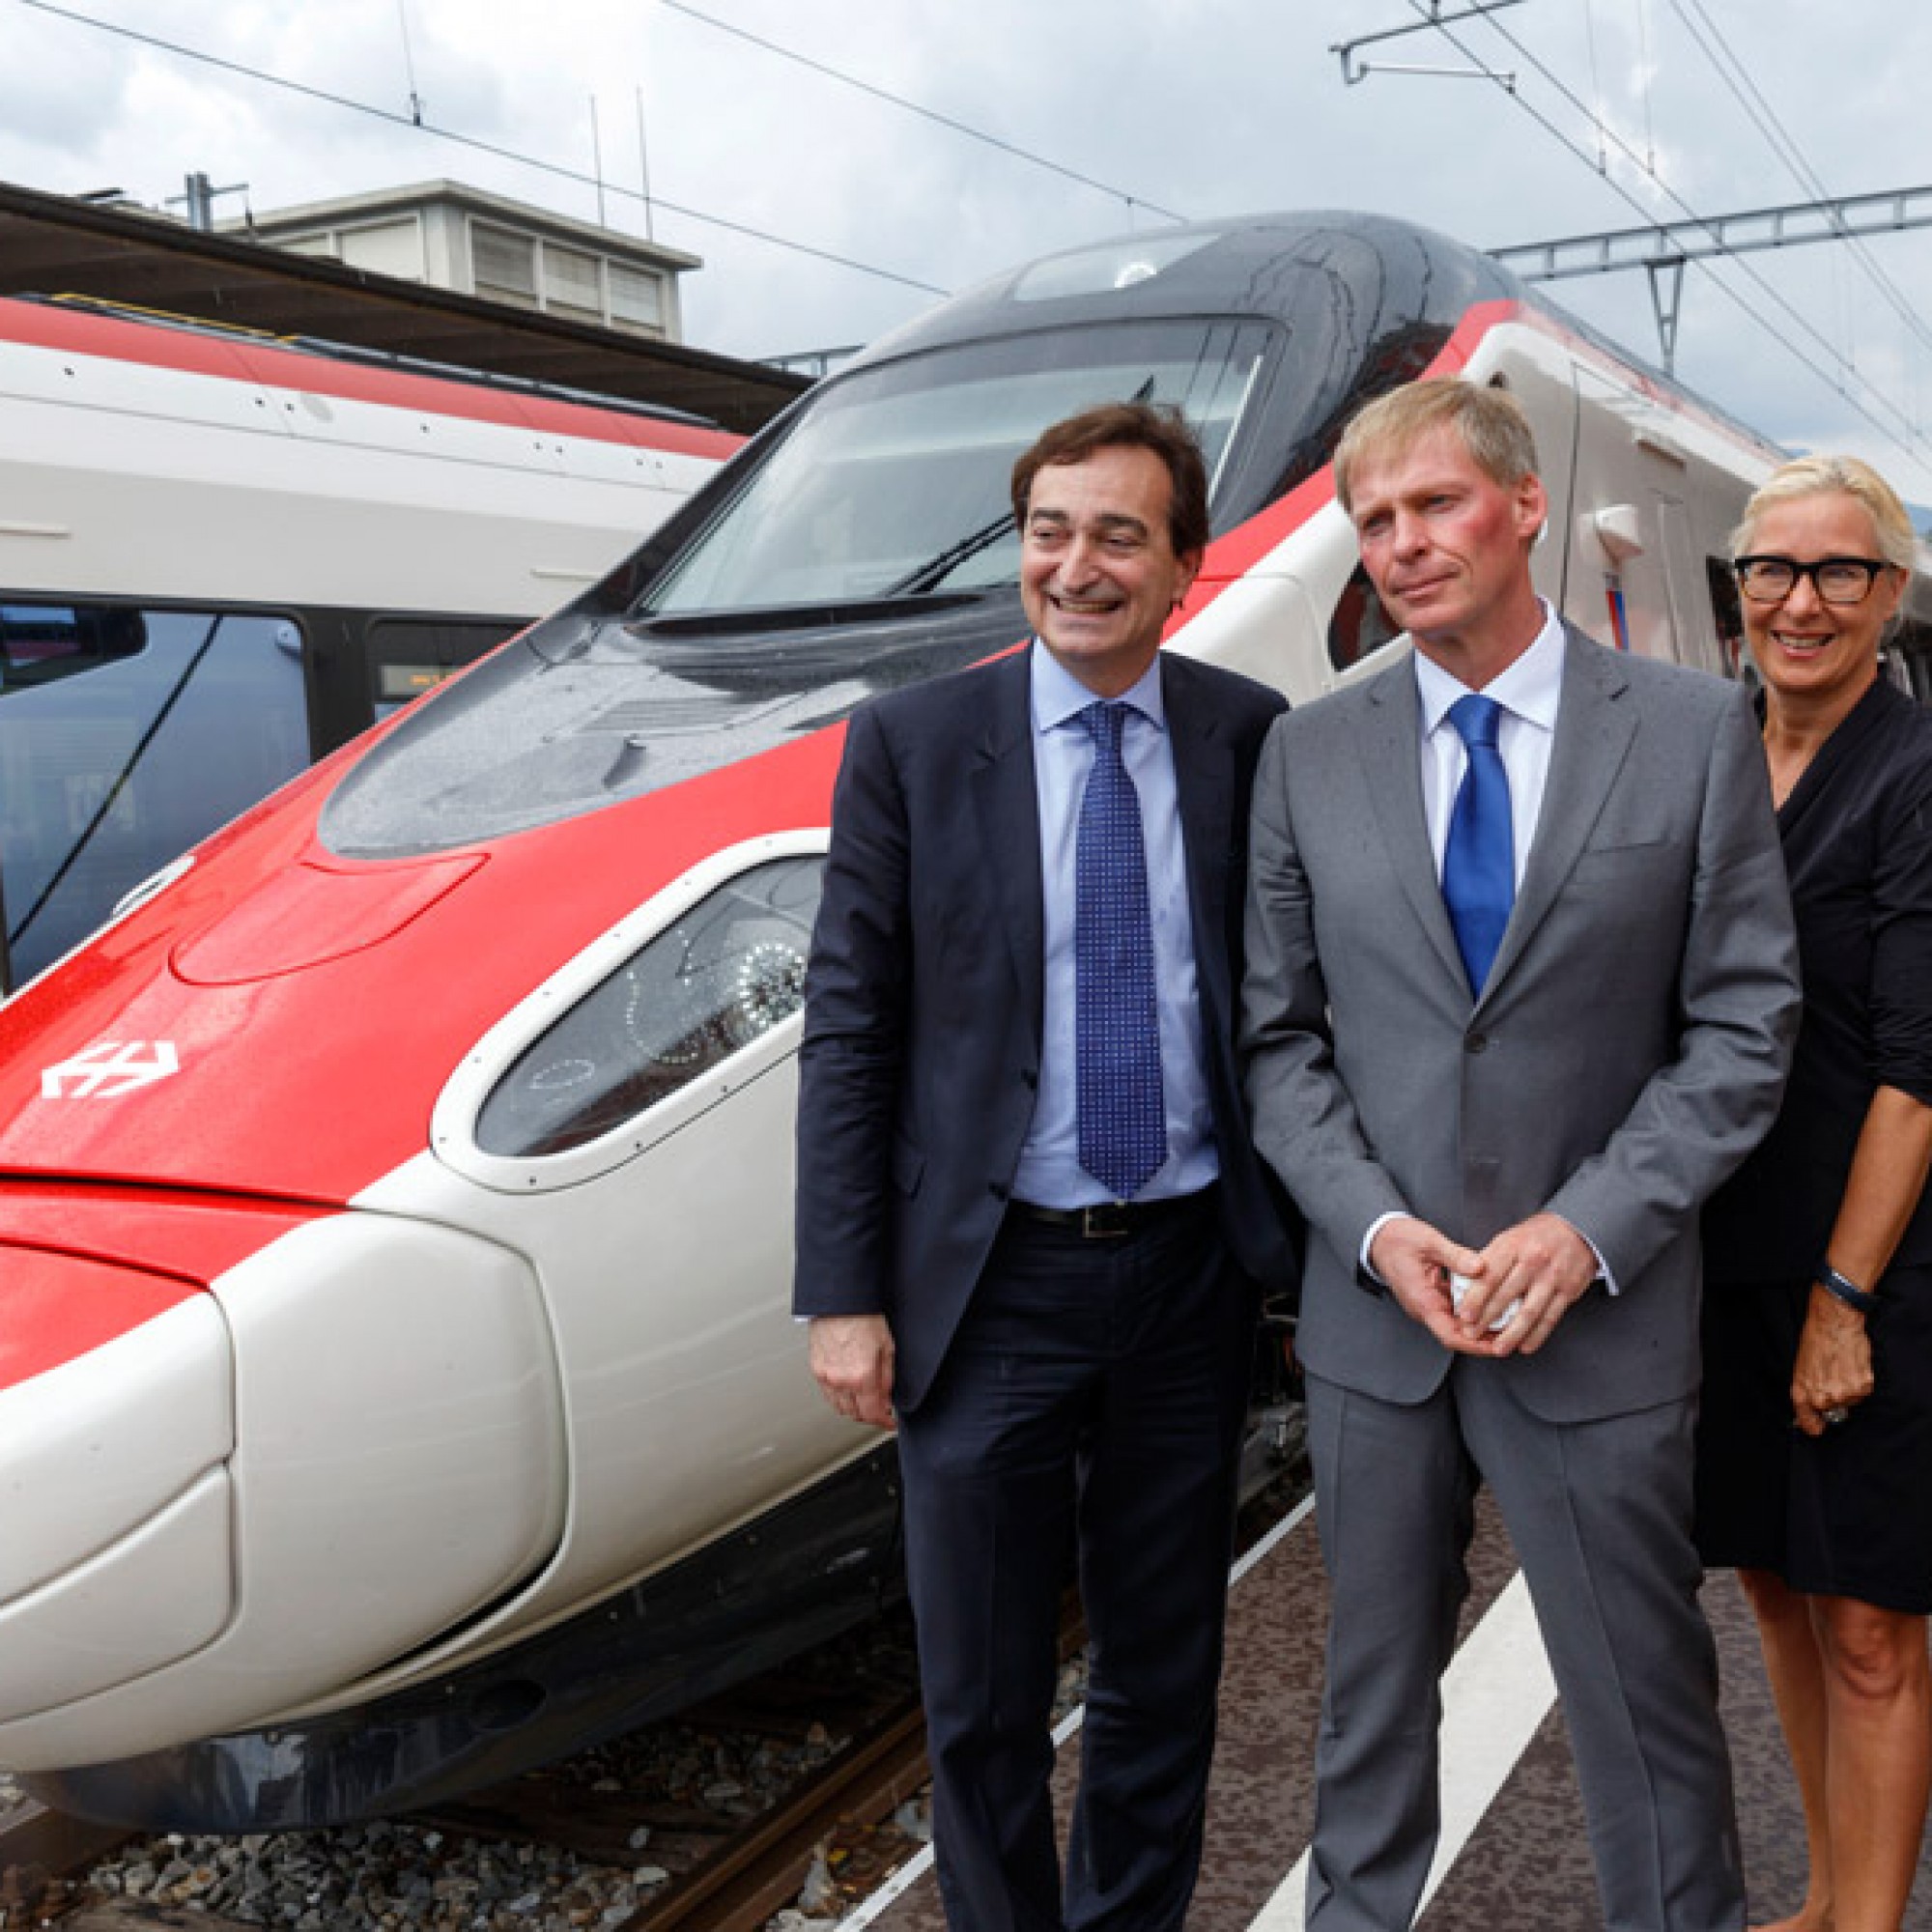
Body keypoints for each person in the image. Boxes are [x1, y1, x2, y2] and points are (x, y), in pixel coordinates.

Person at [1240, 378, 1802, 1931]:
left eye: (1434, 506)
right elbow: (1277, 1043)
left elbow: (1748, 1023)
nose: (1404, 546)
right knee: (1364, 1713)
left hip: (1598, 1316)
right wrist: (1371, 1229)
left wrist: (1590, 1227)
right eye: (1375, 523)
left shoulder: (1692, 732)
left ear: (1525, 504)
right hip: (1379, 1327)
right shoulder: (1310, 754)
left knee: (1644, 1712)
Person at [794, 400, 1295, 1932]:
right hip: (990, 1284)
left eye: (1118, 536)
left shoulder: (1246, 735)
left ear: (1186, 567)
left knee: (1164, 1678)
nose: (1076, 566)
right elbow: (851, 1025)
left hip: (1187, 1277)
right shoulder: (911, 743)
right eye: (1049, 532)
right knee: (983, 1697)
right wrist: (842, 1290)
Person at [1695, 454, 1932, 1932]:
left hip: (1882, 1264)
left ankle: (1869, 1923)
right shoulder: (1713, 749)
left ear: (1890, 597)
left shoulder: (1917, 778)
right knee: (1777, 1586)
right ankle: (1828, 1894)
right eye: (1772, 570)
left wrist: (1844, 1300)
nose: (1800, 601)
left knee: (1871, 1625)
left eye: (1838, 572)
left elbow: (1917, 1072)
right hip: (1727, 1253)